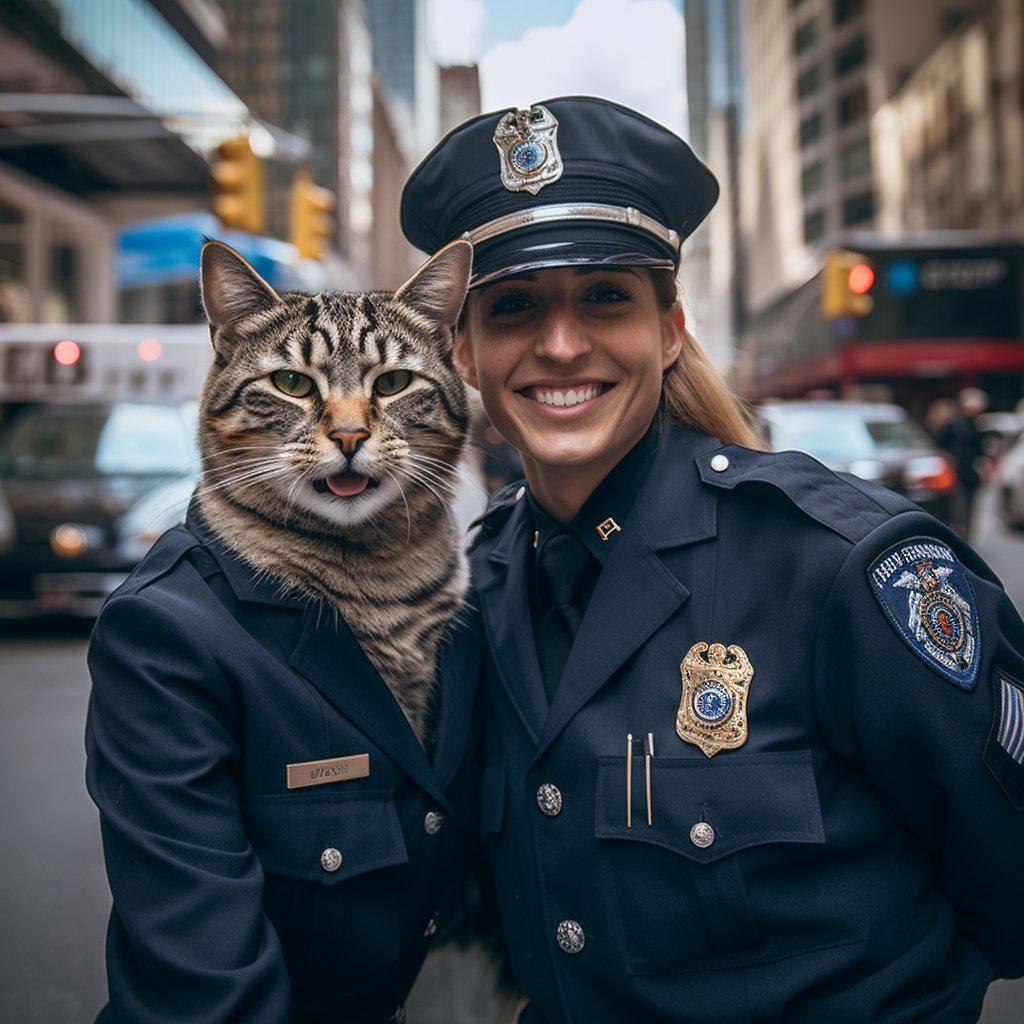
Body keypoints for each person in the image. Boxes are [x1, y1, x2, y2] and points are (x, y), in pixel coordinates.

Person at [400, 95, 1024, 1023]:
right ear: (465, 352)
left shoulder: (838, 566)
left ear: (669, 328)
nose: (561, 343)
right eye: (515, 307)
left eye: (606, 296)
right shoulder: (476, 589)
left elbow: (1007, 887)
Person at [935, 386, 991, 537]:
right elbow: (939, 445)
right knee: (958, 507)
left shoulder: (977, 425)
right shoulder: (953, 424)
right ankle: (959, 533)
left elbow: (980, 450)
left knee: (969, 507)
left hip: (970, 473)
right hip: (956, 473)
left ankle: (966, 535)